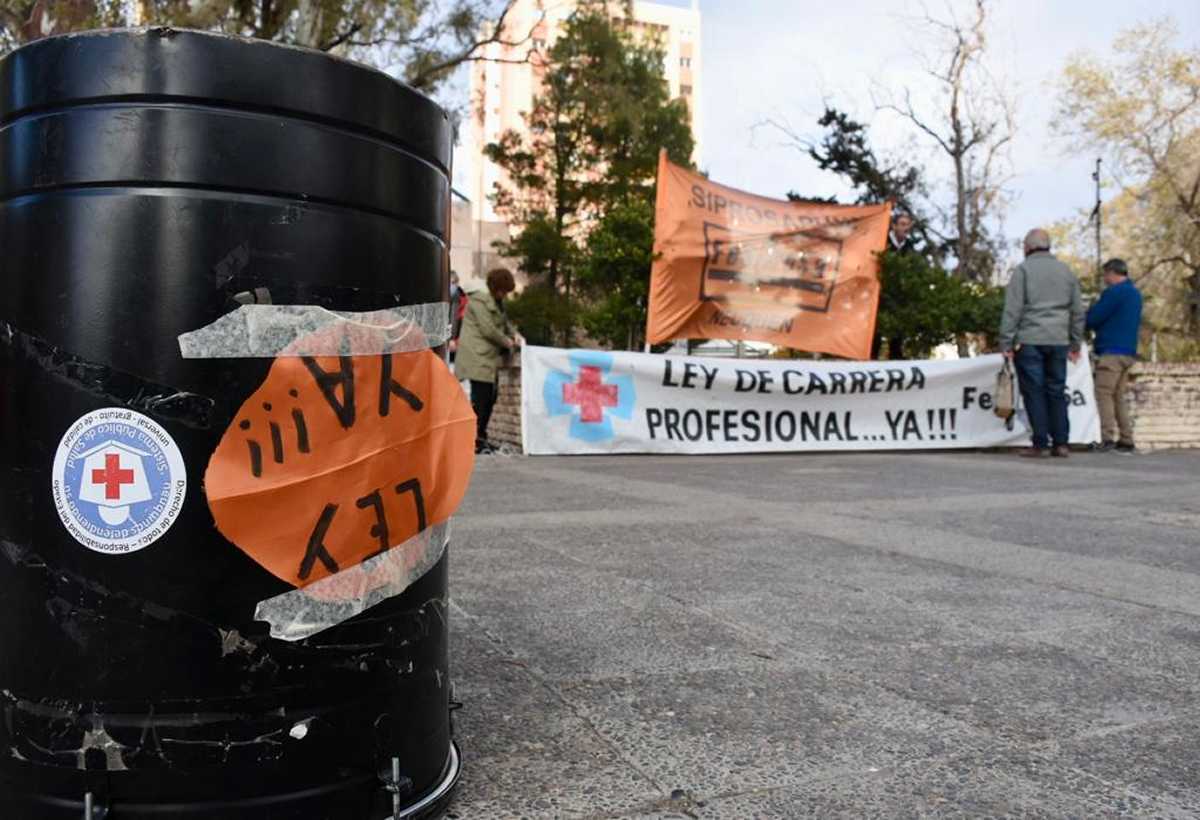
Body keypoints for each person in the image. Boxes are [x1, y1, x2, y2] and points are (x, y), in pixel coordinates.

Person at [999, 228, 1085, 459]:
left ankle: (1040, 443)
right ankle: (1061, 443)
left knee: (1034, 392)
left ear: (1027, 248)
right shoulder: (1066, 271)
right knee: (1056, 390)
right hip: (1058, 340)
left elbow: (1013, 309)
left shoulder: (1023, 270)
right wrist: (1075, 343)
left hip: (1030, 340)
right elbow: (1077, 310)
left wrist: (1007, 341)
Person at [455, 268, 519, 454]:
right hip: (477, 356)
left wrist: (515, 335)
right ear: (495, 287)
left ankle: (480, 437)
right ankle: (474, 439)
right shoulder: (479, 301)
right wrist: (507, 341)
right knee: (481, 399)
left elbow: (504, 323)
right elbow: (488, 329)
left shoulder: (496, 302)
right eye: (503, 290)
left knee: (491, 397)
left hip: (487, 358)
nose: (504, 295)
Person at [1087, 258, 1143, 454]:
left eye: (1105, 275)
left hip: (1111, 352)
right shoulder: (1135, 294)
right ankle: (1126, 439)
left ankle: (1107, 438)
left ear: (1112, 273)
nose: (1105, 279)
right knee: (1118, 395)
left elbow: (1094, 317)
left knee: (1103, 394)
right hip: (1128, 352)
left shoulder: (1114, 293)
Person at [447, 271, 468, 363]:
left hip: (455, 340)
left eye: (453, 282)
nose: (452, 286)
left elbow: (454, 318)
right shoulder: (462, 296)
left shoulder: (457, 296)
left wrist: (452, 339)